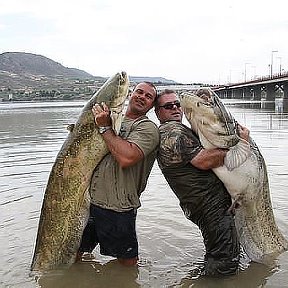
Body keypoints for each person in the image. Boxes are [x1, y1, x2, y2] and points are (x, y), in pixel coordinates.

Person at [155, 89, 250, 276]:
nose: (175, 108)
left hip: (203, 205)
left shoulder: (178, 129)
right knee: (225, 263)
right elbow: (204, 161)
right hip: (209, 207)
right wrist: (239, 144)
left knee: (221, 252)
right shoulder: (173, 132)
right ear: (158, 112)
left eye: (177, 104)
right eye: (168, 106)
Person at [77, 82, 159, 266]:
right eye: (139, 92)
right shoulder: (110, 118)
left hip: (118, 207)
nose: (142, 97)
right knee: (75, 253)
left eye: (148, 96)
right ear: (130, 94)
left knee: (127, 265)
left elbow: (127, 157)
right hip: (90, 202)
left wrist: (105, 128)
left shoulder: (147, 128)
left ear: (152, 105)